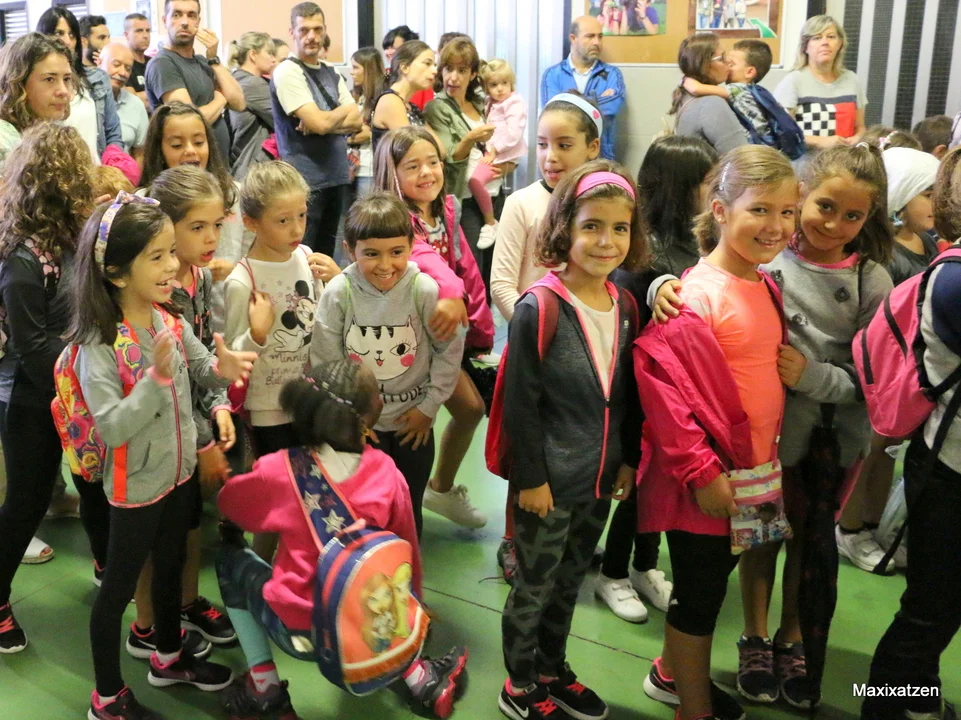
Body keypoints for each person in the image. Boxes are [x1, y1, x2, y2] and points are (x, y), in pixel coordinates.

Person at [68, 193, 257, 720]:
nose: (173, 265)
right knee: (117, 593)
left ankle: (169, 658)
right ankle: (107, 698)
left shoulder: (165, 319)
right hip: (134, 490)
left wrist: (222, 370)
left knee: (172, 564)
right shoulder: (99, 345)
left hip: (178, 474)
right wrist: (153, 381)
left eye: (171, 251)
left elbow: (201, 368)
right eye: (157, 256)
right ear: (115, 272)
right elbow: (113, 426)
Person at [636, 146, 797, 720]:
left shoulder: (763, 283)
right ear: (721, 210)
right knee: (699, 596)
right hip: (709, 479)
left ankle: (670, 673)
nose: (776, 226)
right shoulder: (697, 296)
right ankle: (694, 709)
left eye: (787, 212)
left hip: (753, 471)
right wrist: (701, 473)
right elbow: (666, 394)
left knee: (716, 577)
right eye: (760, 209)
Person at [216, 359, 469, 719]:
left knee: (228, 560)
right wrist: (412, 614)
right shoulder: (387, 473)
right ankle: (421, 679)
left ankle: (265, 687)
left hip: (301, 631)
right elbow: (406, 554)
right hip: (370, 628)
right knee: (382, 596)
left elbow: (231, 504)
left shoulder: (280, 470)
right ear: (366, 419)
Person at [735, 144, 893, 710]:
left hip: (831, 445)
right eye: (825, 206)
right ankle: (755, 636)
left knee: (810, 540)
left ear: (868, 219)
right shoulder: (764, 257)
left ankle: (793, 638)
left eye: (853, 215)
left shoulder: (872, 280)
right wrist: (663, 289)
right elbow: (709, 284)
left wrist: (813, 376)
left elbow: (875, 377)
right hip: (761, 440)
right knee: (760, 539)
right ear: (801, 196)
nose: (834, 224)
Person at [498, 161, 645, 720]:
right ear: (565, 228)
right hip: (548, 484)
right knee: (534, 585)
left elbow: (626, 395)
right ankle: (518, 683)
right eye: (592, 226)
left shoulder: (625, 305)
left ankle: (551, 669)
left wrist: (627, 460)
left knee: (569, 583)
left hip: (599, 478)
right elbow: (519, 406)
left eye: (619, 227)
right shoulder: (539, 307)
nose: (606, 241)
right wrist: (531, 479)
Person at [595, 135, 719, 624]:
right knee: (637, 485)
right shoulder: (646, 255)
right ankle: (613, 572)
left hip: (679, 394)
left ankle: (644, 564)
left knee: (662, 488)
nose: (714, 191)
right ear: (678, 186)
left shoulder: (699, 242)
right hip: (642, 394)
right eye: (706, 182)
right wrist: (660, 286)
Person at [860, 146, 961, 720]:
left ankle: (918, 694)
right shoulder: (955, 279)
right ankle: (883, 706)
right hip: (948, 471)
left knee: (940, 608)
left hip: (946, 462)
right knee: (928, 612)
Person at [0, 124, 110, 651]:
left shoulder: (71, 241)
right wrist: (83, 385)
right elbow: (32, 345)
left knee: (95, 486)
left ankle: (110, 566)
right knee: (26, 501)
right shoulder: (24, 259)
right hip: (36, 396)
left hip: (77, 390)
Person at [311, 193, 466, 537]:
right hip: (359, 426)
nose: (385, 265)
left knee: (407, 509)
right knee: (362, 509)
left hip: (414, 425)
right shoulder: (339, 292)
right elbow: (326, 361)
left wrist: (428, 407)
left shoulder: (423, 290)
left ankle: (407, 565)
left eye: (396, 252)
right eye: (371, 254)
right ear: (350, 250)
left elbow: (449, 350)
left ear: (411, 246)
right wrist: (349, 417)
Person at [135, 166, 239, 651]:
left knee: (191, 523)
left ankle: (187, 601)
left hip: (191, 428)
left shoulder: (199, 278)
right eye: (198, 227)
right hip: (157, 436)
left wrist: (219, 406)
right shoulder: (153, 292)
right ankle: (148, 626)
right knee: (155, 538)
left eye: (217, 224)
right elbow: (168, 385)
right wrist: (202, 442)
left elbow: (205, 358)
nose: (211, 237)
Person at [374, 126, 494, 531]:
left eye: (433, 162)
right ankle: (397, 502)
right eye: (413, 166)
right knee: (413, 423)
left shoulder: (445, 209)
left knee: (469, 410)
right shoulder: (395, 218)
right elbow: (427, 258)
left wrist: (480, 326)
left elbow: (466, 265)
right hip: (405, 337)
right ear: (392, 174)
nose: (426, 172)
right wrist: (453, 292)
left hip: (442, 334)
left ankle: (435, 489)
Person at [225, 161, 333, 458]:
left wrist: (337, 281)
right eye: (283, 221)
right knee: (280, 479)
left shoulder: (307, 257)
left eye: (302, 215)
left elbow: (324, 324)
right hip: (268, 408)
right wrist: (257, 335)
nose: (297, 228)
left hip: (311, 398)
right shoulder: (242, 281)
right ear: (251, 223)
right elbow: (232, 357)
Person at [140, 102, 253, 331]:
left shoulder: (235, 195)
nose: (190, 150)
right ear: (159, 148)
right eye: (177, 144)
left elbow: (253, 257)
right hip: (168, 325)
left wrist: (235, 271)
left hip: (228, 318)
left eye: (199, 142)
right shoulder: (144, 202)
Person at [270, 1, 362, 258]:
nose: (311, 36)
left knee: (328, 257)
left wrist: (323, 123)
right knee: (303, 256)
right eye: (304, 30)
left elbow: (356, 120)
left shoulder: (331, 71)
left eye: (317, 29)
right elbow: (320, 123)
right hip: (305, 180)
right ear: (292, 32)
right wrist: (335, 116)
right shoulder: (287, 71)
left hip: (337, 176)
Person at [424, 38, 511, 285]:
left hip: (494, 192)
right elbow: (449, 156)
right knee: (473, 271)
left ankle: (490, 311)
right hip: (465, 198)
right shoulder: (437, 107)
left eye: (462, 70)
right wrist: (472, 137)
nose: (453, 77)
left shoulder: (480, 103)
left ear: (473, 74)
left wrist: (505, 164)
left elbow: (502, 141)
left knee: (496, 267)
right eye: (448, 69)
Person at [145, 0, 246, 162]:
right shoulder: (162, 63)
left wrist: (213, 59)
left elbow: (239, 103)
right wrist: (221, 98)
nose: (184, 22)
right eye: (176, 15)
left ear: (198, 22)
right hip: (188, 167)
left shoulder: (203, 62)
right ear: (165, 21)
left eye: (191, 15)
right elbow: (188, 121)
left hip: (219, 165)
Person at [37, 6, 123, 164]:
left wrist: (113, 166)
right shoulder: (37, 83)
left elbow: (113, 132)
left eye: (72, 34)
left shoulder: (97, 78)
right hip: (55, 170)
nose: (67, 41)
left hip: (97, 170)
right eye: (59, 33)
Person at [774, 15, 867, 150]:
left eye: (831, 37)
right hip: (807, 162)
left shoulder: (852, 79)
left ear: (840, 44)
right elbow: (782, 132)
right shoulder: (793, 81)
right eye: (817, 38)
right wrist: (819, 141)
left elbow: (860, 127)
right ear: (805, 47)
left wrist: (858, 137)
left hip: (844, 160)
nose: (825, 42)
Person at [540, 15, 625, 161]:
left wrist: (570, 105)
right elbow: (553, 112)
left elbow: (613, 106)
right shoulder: (553, 74)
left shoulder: (612, 74)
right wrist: (595, 102)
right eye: (590, 36)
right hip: (563, 159)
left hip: (601, 158)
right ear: (573, 38)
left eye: (600, 36)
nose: (597, 42)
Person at [472, 59, 528, 251]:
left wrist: (495, 149)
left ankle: (490, 223)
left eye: (504, 83)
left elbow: (513, 134)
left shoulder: (514, 103)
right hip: (494, 151)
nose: (500, 89)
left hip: (504, 153)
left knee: (475, 181)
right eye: (494, 85)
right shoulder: (491, 102)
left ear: (511, 82)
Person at [682, 39, 778, 150]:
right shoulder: (755, 91)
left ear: (749, 72)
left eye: (732, 64)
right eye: (723, 59)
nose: (727, 65)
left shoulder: (738, 90)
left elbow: (696, 88)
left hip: (760, 149)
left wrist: (685, 79)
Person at [0, 33, 74, 167]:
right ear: (19, 83)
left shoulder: (54, 134)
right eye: (49, 79)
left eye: (66, 79)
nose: (64, 91)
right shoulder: (3, 140)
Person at [670, 32, 747, 155]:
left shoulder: (687, 95)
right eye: (721, 58)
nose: (729, 62)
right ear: (704, 65)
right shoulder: (712, 104)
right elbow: (741, 157)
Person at [884, 147, 942, 287]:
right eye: (929, 196)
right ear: (899, 196)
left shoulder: (926, 239)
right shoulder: (886, 256)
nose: (938, 203)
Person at [371, 39, 438, 153]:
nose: (435, 71)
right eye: (427, 64)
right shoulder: (390, 101)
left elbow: (440, 150)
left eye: (435, 65)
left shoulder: (412, 107)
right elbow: (416, 151)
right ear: (405, 67)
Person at [227, 32, 276, 166]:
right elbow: (284, 120)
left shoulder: (235, 80)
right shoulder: (254, 84)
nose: (273, 59)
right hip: (254, 166)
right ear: (253, 54)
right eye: (269, 53)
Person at [99, 42, 149, 164]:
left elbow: (139, 153)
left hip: (122, 174)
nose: (122, 73)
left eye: (128, 69)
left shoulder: (136, 105)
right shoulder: (85, 100)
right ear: (99, 63)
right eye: (116, 65)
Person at [349, 47, 384, 197]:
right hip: (349, 168)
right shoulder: (353, 96)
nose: (351, 72)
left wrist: (345, 136)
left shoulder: (382, 98)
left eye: (355, 67)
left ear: (369, 69)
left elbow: (366, 134)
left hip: (369, 169)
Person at [123, 13, 151, 108]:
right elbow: (131, 101)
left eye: (148, 31)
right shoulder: (122, 65)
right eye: (139, 31)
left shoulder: (154, 63)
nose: (145, 35)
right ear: (127, 35)